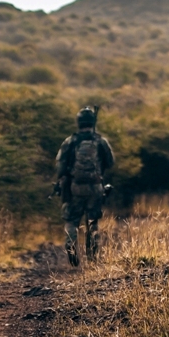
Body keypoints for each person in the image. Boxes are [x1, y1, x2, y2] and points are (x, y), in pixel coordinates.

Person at [54, 106, 114, 266]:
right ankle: (92, 258)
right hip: (96, 187)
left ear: (78, 122)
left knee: (71, 219)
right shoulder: (100, 141)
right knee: (92, 222)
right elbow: (110, 162)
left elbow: (60, 164)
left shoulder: (70, 141)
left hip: (75, 186)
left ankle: (71, 246)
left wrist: (62, 178)